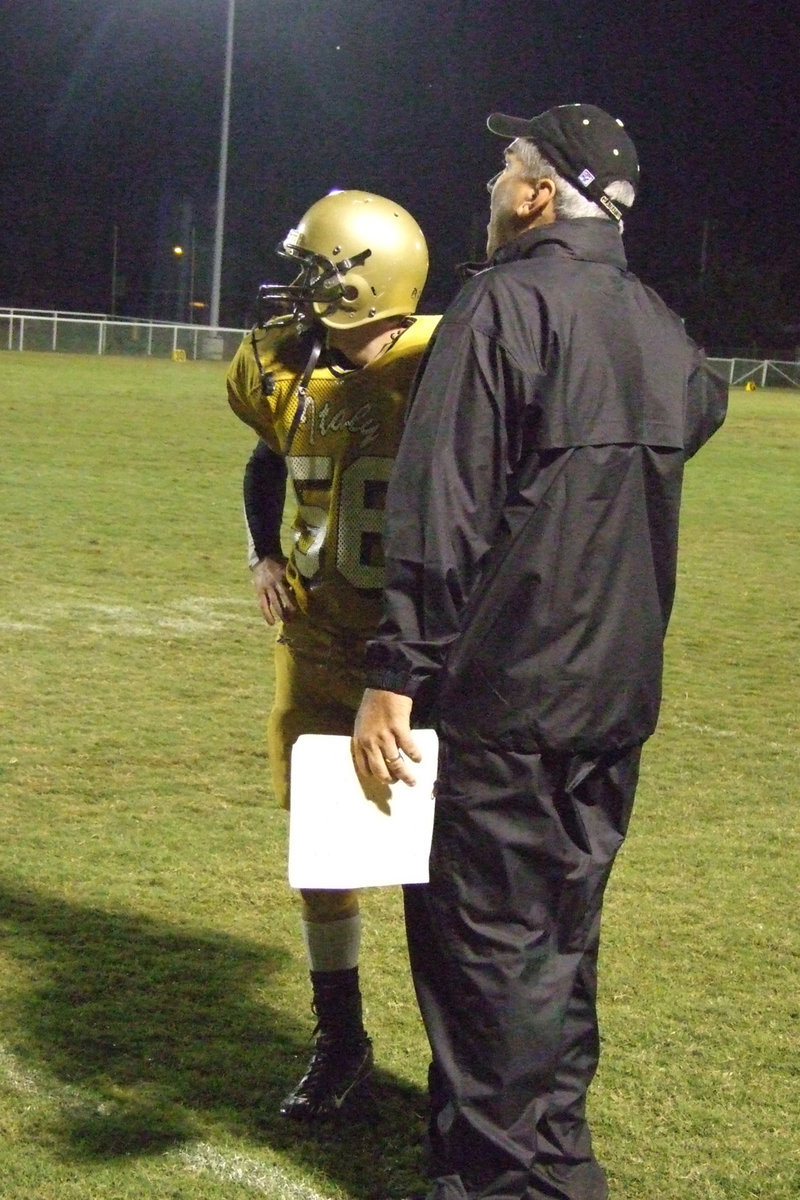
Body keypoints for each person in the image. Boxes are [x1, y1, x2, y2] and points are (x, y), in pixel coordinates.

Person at [352, 104, 728, 1200]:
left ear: (535, 194)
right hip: (613, 698)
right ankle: (559, 1165)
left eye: (503, 167)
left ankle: (497, 1181)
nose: (489, 184)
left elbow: (442, 509)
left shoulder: (502, 305)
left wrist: (393, 675)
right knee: (559, 941)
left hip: (505, 696)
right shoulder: (654, 321)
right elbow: (698, 404)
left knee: (484, 954)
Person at [226, 189, 438, 1121]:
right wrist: (262, 553)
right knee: (323, 852)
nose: (297, 288)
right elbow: (266, 458)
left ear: (366, 280)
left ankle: (468, 1056)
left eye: (316, 270)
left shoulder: (448, 360)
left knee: (449, 859)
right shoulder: (288, 363)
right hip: (318, 636)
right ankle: (341, 1038)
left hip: (424, 648)